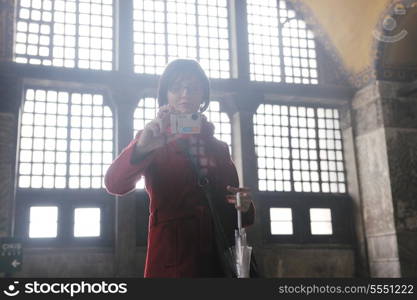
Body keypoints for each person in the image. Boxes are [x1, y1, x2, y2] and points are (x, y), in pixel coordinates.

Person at [104, 58, 255, 278]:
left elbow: (236, 210)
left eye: (193, 88)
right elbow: (115, 184)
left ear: (204, 95)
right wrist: (142, 147)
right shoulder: (151, 138)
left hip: (217, 259)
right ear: (165, 95)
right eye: (176, 88)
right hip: (172, 258)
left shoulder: (218, 148)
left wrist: (246, 206)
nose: (185, 93)